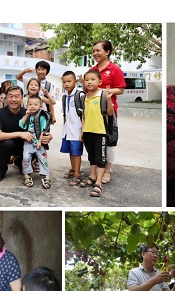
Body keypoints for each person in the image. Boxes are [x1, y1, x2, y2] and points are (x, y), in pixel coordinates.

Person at [0, 85, 53, 183]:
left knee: (36, 144)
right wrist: (19, 134)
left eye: (17, 96)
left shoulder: (28, 112)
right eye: (10, 96)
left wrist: (49, 136)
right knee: (8, 144)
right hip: (4, 146)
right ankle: (1, 170)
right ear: (6, 98)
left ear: (22, 98)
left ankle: (20, 162)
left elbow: (41, 128)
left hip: (23, 145)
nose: (14, 99)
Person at [89, 40, 126, 184]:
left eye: (98, 50)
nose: (95, 54)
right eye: (93, 51)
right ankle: (98, 168)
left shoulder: (114, 69)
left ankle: (107, 170)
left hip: (109, 111)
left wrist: (105, 91)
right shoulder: (93, 70)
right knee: (96, 141)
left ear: (107, 52)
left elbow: (121, 89)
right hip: (94, 111)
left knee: (109, 141)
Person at [79, 70, 114, 197]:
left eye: (92, 79)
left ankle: (98, 183)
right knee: (91, 156)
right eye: (87, 79)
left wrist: (109, 100)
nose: (89, 82)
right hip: (88, 132)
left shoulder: (103, 95)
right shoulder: (84, 97)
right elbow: (83, 116)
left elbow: (110, 113)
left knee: (101, 158)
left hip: (100, 132)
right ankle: (92, 177)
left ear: (100, 81)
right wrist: (82, 131)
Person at [18, 94, 51, 189]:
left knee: (43, 158)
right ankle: (26, 174)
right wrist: (26, 115)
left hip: (39, 143)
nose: (32, 106)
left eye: (35, 105)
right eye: (30, 104)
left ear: (40, 106)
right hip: (28, 143)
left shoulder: (42, 116)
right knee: (25, 157)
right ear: (27, 105)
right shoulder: (28, 115)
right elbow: (21, 124)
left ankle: (46, 175)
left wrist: (40, 142)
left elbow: (44, 130)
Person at [60, 70, 84, 186]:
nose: (67, 84)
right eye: (64, 82)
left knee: (76, 152)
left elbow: (85, 115)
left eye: (69, 81)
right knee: (70, 151)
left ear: (75, 81)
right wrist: (64, 128)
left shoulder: (80, 95)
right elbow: (65, 114)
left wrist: (83, 131)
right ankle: (73, 169)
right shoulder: (65, 97)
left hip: (77, 129)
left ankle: (77, 174)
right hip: (67, 130)